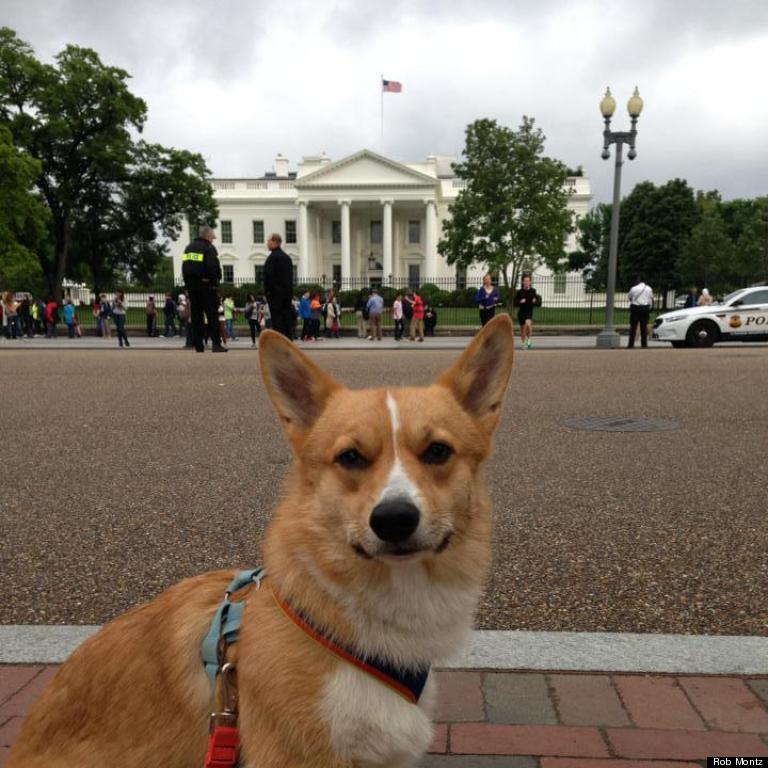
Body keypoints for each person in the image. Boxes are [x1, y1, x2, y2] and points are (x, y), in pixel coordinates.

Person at [182, 224, 226, 353]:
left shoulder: (188, 248)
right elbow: (212, 266)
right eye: (212, 236)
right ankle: (216, 344)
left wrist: (188, 283)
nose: (213, 238)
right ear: (207, 236)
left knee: (196, 316)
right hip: (206, 285)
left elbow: (185, 267)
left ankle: (198, 345)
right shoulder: (209, 248)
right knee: (212, 315)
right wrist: (215, 282)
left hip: (192, 285)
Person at [263, 233, 294, 340]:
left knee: (277, 321)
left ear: (274, 242)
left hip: (275, 295)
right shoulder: (287, 258)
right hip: (287, 294)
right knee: (287, 319)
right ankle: (289, 340)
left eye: (268, 241)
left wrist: (267, 293)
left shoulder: (272, 258)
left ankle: (280, 342)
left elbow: (268, 278)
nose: (267, 243)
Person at [513, 274, 541, 349]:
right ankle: (524, 343)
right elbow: (515, 303)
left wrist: (535, 301)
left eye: (528, 281)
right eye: (525, 281)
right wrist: (520, 301)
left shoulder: (533, 291)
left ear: (530, 282)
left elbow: (538, 302)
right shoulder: (520, 292)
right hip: (522, 312)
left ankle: (528, 340)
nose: (526, 282)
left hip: (529, 312)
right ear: (522, 282)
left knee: (528, 325)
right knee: (523, 328)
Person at [627, 277, 653, 349]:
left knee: (633, 327)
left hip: (635, 307)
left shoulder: (633, 288)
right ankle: (644, 345)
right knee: (643, 327)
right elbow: (650, 300)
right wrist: (649, 308)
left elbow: (629, 297)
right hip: (645, 308)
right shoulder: (649, 288)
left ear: (638, 282)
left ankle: (630, 345)